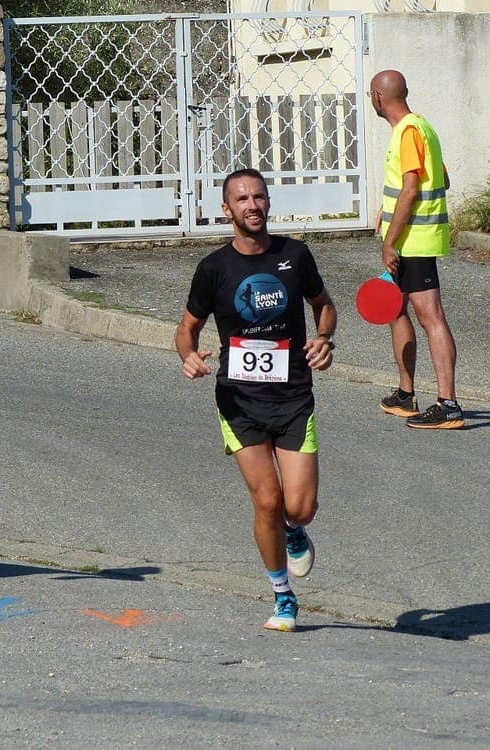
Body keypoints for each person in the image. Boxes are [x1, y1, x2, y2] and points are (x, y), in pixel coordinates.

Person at [175, 168, 337, 632]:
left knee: (299, 507)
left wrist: (324, 338)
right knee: (267, 499)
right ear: (227, 210)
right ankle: (283, 595)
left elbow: (325, 306)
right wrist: (189, 356)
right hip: (239, 401)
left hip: (293, 397)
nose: (253, 205)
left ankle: (293, 530)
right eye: (242, 199)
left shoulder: (294, 256)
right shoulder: (214, 268)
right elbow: (187, 328)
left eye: (259, 197)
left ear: (268, 203)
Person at [369, 69, 463, 429]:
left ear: (378, 97)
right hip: (412, 238)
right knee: (396, 310)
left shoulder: (407, 132)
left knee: (431, 316)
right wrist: (389, 209)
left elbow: (410, 190)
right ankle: (405, 394)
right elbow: (442, 178)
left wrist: (389, 241)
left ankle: (448, 404)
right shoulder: (421, 127)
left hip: (414, 242)